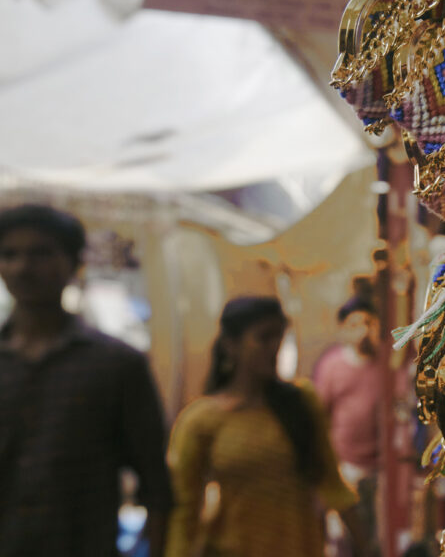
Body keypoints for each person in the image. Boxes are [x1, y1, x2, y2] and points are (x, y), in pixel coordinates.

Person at [0, 204, 172, 557]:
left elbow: (156, 485)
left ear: (73, 264)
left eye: (41, 254)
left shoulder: (117, 365)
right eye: (9, 254)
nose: (22, 267)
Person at [166, 296, 367, 557]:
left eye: (278, 337)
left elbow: (331, 484)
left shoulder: (299, 402)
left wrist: (368, 546)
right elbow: (185, 511)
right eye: (263, 338)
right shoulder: (201, 420)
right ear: (231, 346)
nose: (274, 347)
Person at [313, 294, 383, 556]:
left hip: (378, 468)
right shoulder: (332, 366)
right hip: (345, 467)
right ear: (343, 330)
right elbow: (322, 416)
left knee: (372, 535)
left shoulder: (385, 365)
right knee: (342, 538)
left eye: (367, 322)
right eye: (354, 325)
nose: (362, 331)